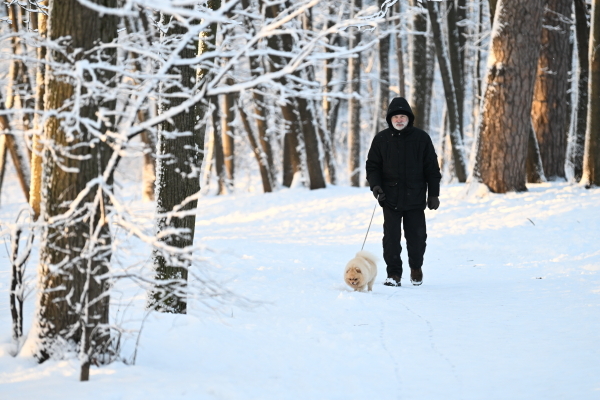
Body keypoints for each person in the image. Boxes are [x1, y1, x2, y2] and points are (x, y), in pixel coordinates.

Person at [366, 97, 441, 287]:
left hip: (415, 197)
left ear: (409, 118)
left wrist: (433, 194)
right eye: (395, 117)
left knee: (417, 238)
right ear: (390, 119)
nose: (399, 120)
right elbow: (372, 166)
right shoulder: (381, 139)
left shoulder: (421, 138)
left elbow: (432, 168)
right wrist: (376, 186)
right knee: (391, 239)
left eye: (402, 116)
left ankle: (416, 267)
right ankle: (394, 274)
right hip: (389, 197)